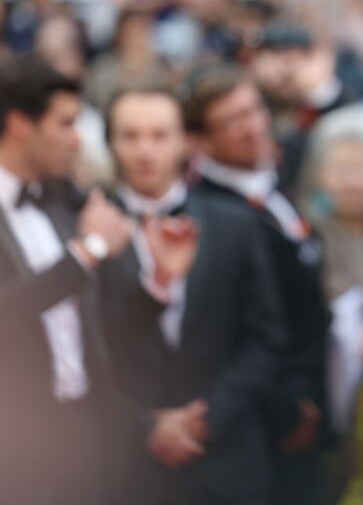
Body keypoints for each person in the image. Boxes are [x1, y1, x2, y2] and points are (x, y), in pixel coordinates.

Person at [99, 85, 289, 505]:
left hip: (229, 459)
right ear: (110, 143)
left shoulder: (235, 225)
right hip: (125, 469)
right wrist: (146, 427)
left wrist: (209, 415)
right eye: (130, 136)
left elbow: (267, 336)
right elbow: (91, 346)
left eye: (159, 135)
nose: (144, 151)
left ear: (186, 142)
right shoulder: (90, 227)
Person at [182, 65, 331, 505]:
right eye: (232, 121)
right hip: (267, 420)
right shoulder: (208, 213)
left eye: (253, 111)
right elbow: (229, 329)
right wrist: (288, 407)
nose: (252, 128)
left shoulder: (272, 186)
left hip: (310, 396)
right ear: (200, 141)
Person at [0, 54, 135, 504]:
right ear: (20, 124)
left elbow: (99, 313)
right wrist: (87, 252)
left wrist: (161, 284)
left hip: (86, 434)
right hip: (15, 446)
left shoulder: (63, 199)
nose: (78, 140)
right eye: (65, 124)